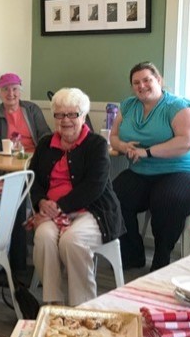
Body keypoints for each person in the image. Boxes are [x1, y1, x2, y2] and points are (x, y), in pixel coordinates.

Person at [29, 88, 124, 306]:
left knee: (72, 241)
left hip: (93, 211)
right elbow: (34, 181)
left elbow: (94, 187)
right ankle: (53, 303)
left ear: (83, 116)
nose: (66, 120)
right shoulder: (45, 144)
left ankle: (83, 306)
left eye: (73, 114)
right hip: (51, 212)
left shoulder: (96, 145)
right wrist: (41, 203)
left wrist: (58, 208)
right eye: (60, 114)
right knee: (43, 237)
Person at [111, 62, 190, 271]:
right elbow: (114, 136)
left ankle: (161, 261)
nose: (141, 86)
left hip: (182, 171)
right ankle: (132, 254)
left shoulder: (177, 106)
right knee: (113, 195)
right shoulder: (128, 106)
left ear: (158, 80)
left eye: (147, 80)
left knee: (166, 199)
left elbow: (187, 141)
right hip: (143, 171)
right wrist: (123, 146)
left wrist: (147, 152)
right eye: (136, 82)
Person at [0, 73, 51, 273]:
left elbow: (46, 136)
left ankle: (26, 259)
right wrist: (8, 158)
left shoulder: (31, 109)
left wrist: (36, 157)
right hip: (8, 169)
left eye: (14, 89)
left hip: (35, 165)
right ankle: (17, 263)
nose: (10, 93)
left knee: (27, 193)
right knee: (19, 193)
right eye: (5, 89)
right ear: (0, 93)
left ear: (20, 90)